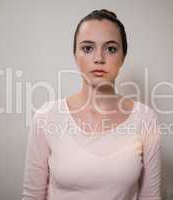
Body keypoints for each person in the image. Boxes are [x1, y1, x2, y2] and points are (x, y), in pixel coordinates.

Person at [22, 9, 162, 200]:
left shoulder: (145, 118)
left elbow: (150, 198)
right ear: (75, 55)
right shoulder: (46, 117)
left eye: (110, 49)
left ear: (123, 58)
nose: (99, 59)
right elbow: (32, 196)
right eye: (88, 48)